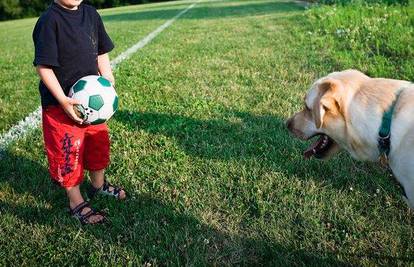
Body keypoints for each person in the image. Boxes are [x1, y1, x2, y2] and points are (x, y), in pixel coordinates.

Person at [33, 0, 126, 225]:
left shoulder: (91, 14)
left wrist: (107, 76)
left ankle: (98, 185)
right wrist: (63, 101)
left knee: (98, 145)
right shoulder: (49, 21)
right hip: (61, 106)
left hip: (93, 107)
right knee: (69, 154)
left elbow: (101, 50)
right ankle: (76, 202)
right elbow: (43, 66)